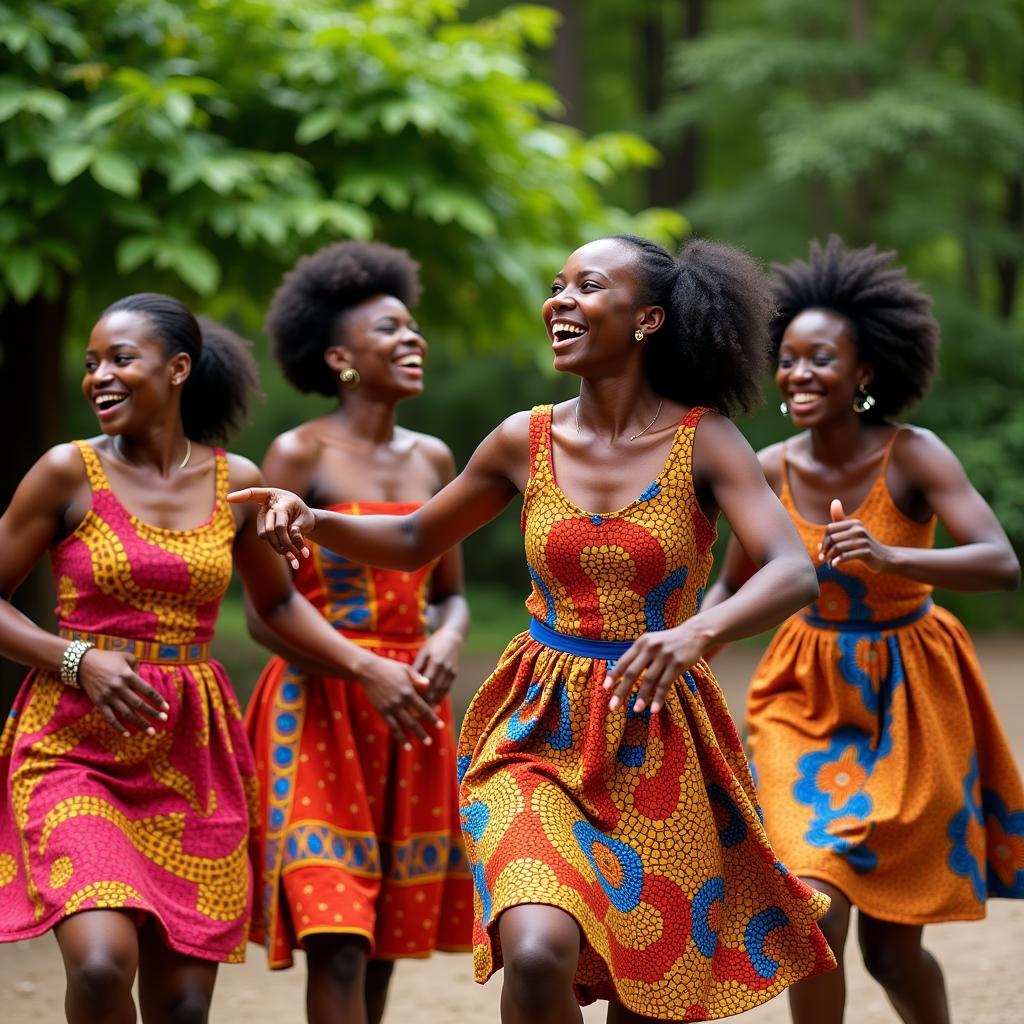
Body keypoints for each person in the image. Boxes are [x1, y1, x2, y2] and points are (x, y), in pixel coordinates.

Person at [231, 234, 838, 1023]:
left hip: (658, 740)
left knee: (646, 993)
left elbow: (793, 569)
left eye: (586, 286)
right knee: (537, 948)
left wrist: (695, 634)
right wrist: (311, 519)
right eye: (557, 285)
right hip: (535, 727)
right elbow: (417, 537)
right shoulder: (527, 437)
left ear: (648, 319)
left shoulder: (706, 441)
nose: (559, 300)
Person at [0, 294, 441, 1024]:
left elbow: (275, 607)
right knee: (105, 962)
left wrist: (366, 666)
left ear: (178, 369)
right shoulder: (65, 473)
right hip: (75, 747)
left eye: (119, 359)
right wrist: (76, 658)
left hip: (194, 753)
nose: (98, 377)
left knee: (181, 1008)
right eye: (90, 364)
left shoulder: (232, 480)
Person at [703, 236, 1024, 1024]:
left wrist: (889, 556)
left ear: (866, 372)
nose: (799, 373)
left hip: (910, 694)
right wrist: (698, 640)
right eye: (789, 357)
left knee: (891, 950)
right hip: (802, 693)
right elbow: (733, 579)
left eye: (822, 358)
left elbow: (1001, 562)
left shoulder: (914, 456)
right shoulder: (767, 467)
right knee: (814, 909)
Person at [243, 241, 473, 1024]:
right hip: (318, 704)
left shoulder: (436, 459)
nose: (413, 340)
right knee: (335, 932)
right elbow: (266, 611)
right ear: (341, 356)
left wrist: (444, 641)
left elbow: (451, 596)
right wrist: (362, 666)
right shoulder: (296, 454)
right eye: (391, 330)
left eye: (414, 328)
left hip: (409, 711)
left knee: (380, 941)